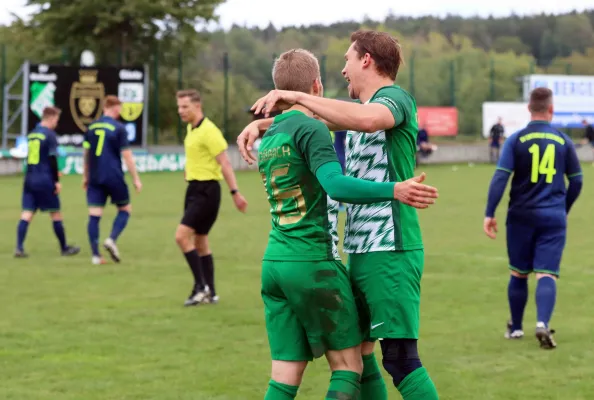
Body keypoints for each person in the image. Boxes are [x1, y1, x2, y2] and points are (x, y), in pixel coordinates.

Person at [239, 30, 440, 400]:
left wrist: (296, 94)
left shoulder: (393, 100)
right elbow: (316, 123)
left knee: (399, 359)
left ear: (366, 60)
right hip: (361, 250)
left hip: (390, 248)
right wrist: (262, 124)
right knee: (362, 353)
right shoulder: (356, 112)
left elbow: (367, 121)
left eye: (347, 60)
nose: (343, 70)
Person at [483, 87, 583, 350]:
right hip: (553, 216)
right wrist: (564, 207)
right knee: (546, 273)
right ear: (551, 110)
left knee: (518, 273)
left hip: (520, 216)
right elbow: (577, 180)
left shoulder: (516, 140)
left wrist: (490, 213)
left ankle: (516, 328)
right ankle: (541, 323)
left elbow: (501, 177)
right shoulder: (564, 141)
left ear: (529, 109)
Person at [175, 89, 248, 307]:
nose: (181, 111)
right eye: (179, 107)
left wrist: (235, 192)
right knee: (200, 242)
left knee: (181, 237)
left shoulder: (209, 131)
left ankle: (201, 287)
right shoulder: (191, 128)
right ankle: (212, 291)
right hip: (194, 189)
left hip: (207, 191)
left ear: (198, 106)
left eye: (185, 107)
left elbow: (225, 163)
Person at [83, 96, 142, 265]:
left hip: (94, 176)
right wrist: (136, 179)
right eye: (120, 108)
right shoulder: (119, 128)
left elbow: (86, 154)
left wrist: (85, 176)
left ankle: (95, 256)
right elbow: (127, 156)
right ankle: (111, 239)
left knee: (94, 215)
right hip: (113, 175)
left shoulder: (91, 127)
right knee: (125, 209)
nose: (121, 112)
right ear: (114, 108)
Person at [15, 107, 80, 258]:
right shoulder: (50, 135)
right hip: (44, 179)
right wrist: (56, 180)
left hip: (30, 178)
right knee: (56, 214)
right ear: (50, 118)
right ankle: (64, 248)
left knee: (27, 213)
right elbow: (52, 159)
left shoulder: (32, 134)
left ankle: (19, 247)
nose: (56, 124)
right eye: (56, 120)